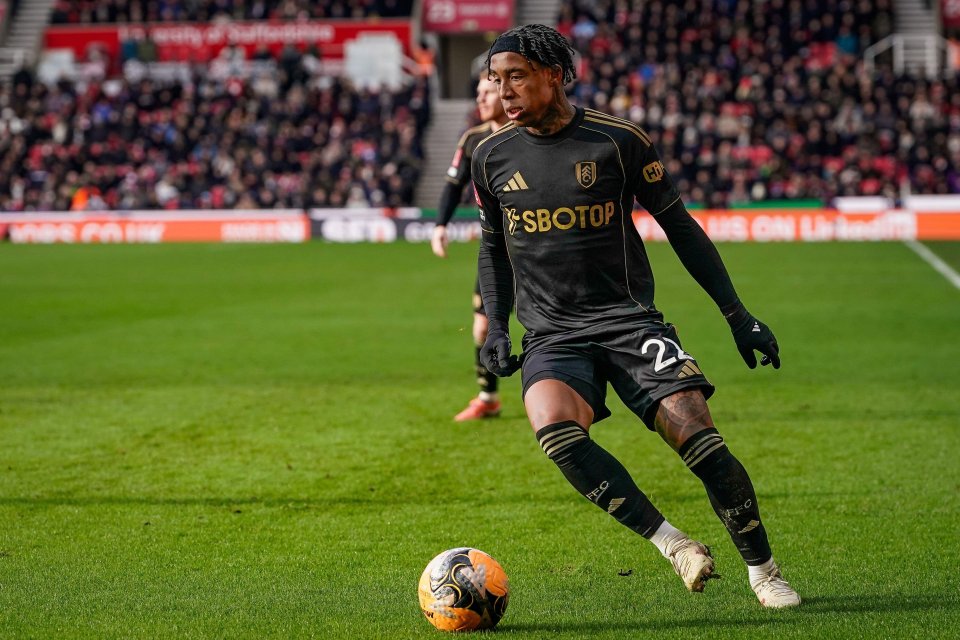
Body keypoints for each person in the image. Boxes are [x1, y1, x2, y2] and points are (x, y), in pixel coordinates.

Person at [471, 24, 800, 608]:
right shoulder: (490, 156)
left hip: (629, 324)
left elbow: (680, 227)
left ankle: (764, 570)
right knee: (555, 433)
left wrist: (737, 315)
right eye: (497, 80)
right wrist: (497, 324)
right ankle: (675, 545)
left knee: (702, 441)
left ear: (555, 74)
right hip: (553, 335)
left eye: (516, 76)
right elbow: (493, 249)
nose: (504, 91)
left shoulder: (617, 141)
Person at [431, 76, 510, 422]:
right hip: (496, 249)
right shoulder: (473, 138)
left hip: (541, 247)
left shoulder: (529, 135)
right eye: (477, 92)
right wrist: (439, 226)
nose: (480, 98)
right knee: (482, 328)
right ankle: (488, 398)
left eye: (487, 92)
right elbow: (452, 185)